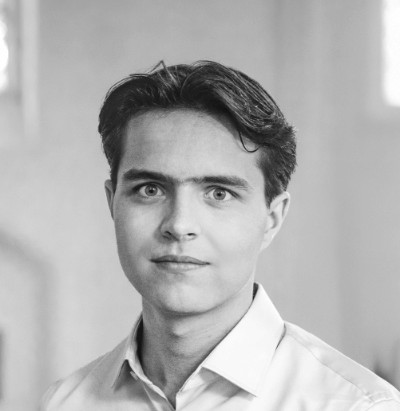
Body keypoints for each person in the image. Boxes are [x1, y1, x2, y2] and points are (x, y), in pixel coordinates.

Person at [40, 61, 400, 410]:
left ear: (272, 219)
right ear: (113, 203)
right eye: (150, 189)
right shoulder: (63, 403)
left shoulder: (358, 406)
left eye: (218, 193)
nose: (179, 225)